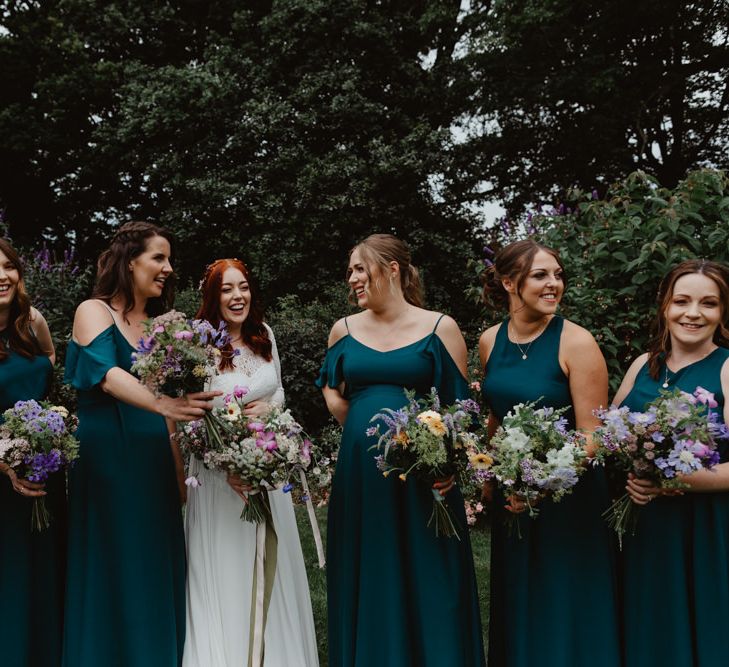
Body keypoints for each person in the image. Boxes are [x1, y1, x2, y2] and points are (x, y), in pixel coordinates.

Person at [316, 233, 485, 667]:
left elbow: (459, 410)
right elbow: (331, 393)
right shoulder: (344, 330)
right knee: (369, 572)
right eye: (350, 269)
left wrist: (439, 457)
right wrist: (362, 429)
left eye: (360, 268)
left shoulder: (439, 327)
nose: (351, 278)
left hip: (423, 477)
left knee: (429, 576)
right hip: (361, 475)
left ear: (392, 269)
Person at [63, 221, 218, 667]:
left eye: (169, 259)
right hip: (108, 456)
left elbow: (175, 406)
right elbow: (107, 376)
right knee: (114, 560)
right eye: (158, 258)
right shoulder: (94, 312)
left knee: (152, 562)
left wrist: (179, 473)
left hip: (154, 457)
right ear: (130, 262)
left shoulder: (161, 327)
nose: (168, 268)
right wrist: (165, 403)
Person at [479, 238, 620, 667]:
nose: (554, 284)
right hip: (513, 498)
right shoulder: (489, 340)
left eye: (558, 275)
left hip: (568, 499)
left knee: (565, 600)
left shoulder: (577, 342)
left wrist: (541, 481)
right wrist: (489, 475)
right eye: (541, 275)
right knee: (521, 594)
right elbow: (496, 418)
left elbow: (593, 435)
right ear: (509, 282)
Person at [183, 258, 318, 667]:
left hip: (265, 469)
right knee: (227, 566)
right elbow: (191, 415)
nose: (237, 296)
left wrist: (268, 418)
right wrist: (228, 461)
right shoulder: (198, 346)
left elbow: (279, 396)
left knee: (271, 564)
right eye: (226, 289)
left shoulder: (265, 335)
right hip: (220, 477)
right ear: (213, 296)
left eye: (242, 287)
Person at [613, 259, 729, 667]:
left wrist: (670, 480)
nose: (693, 313)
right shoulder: (643, 365)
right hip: (648, 529)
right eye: (682, 301)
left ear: (722, 311)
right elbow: (612, 437)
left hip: (705, 529)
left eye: (708, 303)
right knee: (652, 628)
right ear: (665, 305)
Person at [0, 238, 63, 667]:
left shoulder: (31, 322)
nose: (2, 276)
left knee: (43, 573)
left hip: (42, 472)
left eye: (9, 266)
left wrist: (46, 432)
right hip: (1, 479)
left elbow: (50, 367)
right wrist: (4, 460)